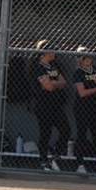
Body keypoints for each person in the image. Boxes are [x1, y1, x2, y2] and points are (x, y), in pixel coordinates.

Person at [29, 39, 71, 172]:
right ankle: (43, 161)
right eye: (52, 50)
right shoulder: (38, 67)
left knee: (66, 130)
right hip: (43, 105)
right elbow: (49, 87)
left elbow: (63, 83)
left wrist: (54, 83)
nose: (55, 53)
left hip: (56, 105)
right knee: (45, 134)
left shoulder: (53, 66)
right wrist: (55, 83)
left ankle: (55, 157)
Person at [72, 46, 96, 176]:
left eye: (88, 56)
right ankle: (80, 165)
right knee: (82, 136)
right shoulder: (78, 73)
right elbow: (82, 93)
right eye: (84, 57)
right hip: (82, 108)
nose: (87, 59)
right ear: (79, 59)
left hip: (94, 107)